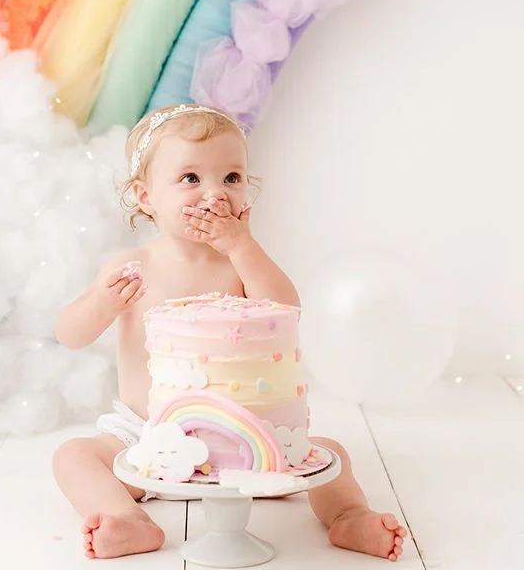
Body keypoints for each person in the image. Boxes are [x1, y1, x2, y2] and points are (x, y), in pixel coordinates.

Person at [53, 104, 406, 561]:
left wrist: (243, 246)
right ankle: (128, 520)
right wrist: (101, 303)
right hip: (146, 436)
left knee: (329, 454)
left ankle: (348, 516)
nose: (214, 194)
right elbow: (69, 334)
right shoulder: (132, 267)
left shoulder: (240, 265)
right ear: (145, 197)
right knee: (74, 456)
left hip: (245, 437)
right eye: (191, 179)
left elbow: (286, 309)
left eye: (232, 178)